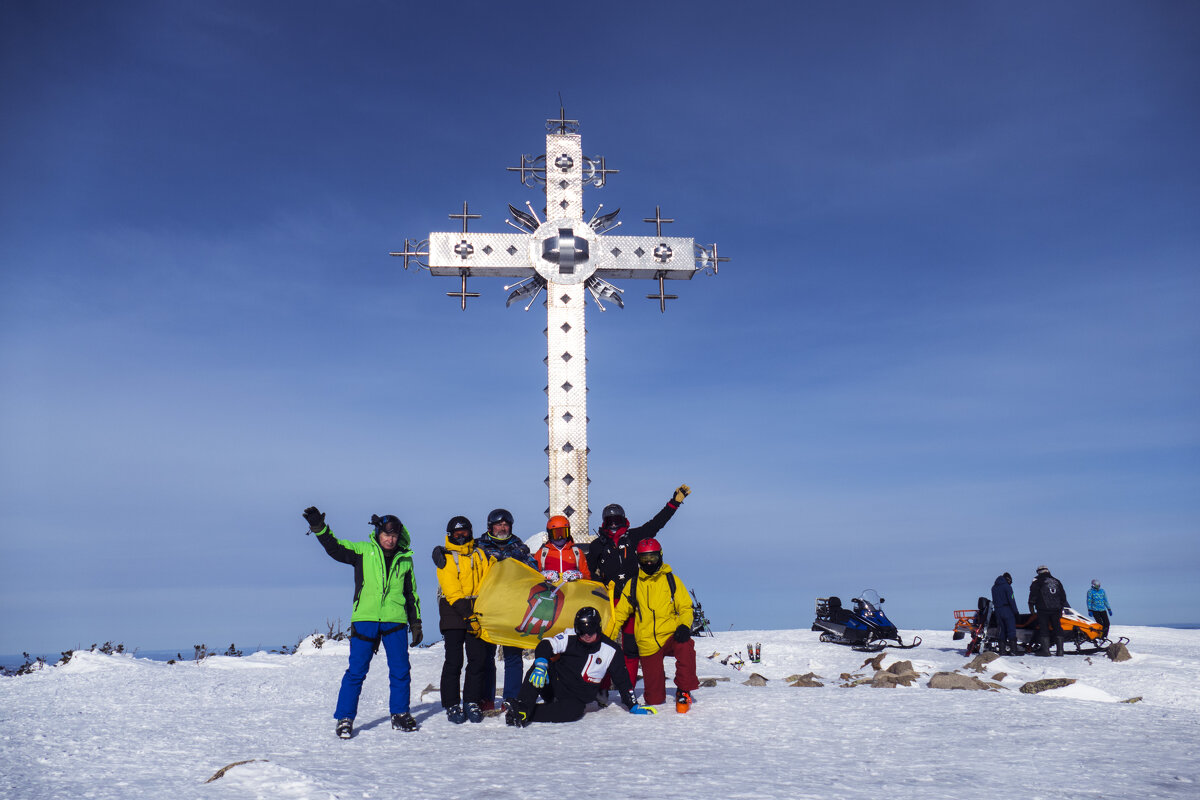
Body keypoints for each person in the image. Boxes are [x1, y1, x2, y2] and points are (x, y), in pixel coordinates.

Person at [302, 506, 422, 738]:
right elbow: (335, 548)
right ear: (378, 533)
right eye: (386, 535)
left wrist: (416, 624)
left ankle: (399, 714)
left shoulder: (406, 560)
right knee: (356, 671)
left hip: (395, 621)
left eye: (394, 535)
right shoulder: (363, 551)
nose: (390, 539)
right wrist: (319, 528)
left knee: (400, 670)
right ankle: (345, 718)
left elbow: (411, 595)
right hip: (365, 620)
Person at [587, 484, 690, 690]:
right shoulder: (598, 545)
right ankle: (602, 688)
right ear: (604, 522)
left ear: (624, 520)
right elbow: (589, 572)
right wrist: (601, 584)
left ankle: (629, 689)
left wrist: (674, 502)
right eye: (610, 521)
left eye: (617, 520)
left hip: (636, 600)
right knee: (603, 644)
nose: (614, 525)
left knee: (631, 648)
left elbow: (657, 524)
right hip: (610, 602)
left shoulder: (634, 537)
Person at [506, 606, 653, 726]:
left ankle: (525, 714)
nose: (587, 635)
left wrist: (633, 704)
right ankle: (522, 706)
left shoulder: (611, 650)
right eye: (582, 631)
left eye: (591, 630)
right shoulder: (570, 637)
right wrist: (541, 664)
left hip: (576, 697)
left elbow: (622, 680)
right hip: (555, 685)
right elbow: (546, 644)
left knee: (574, 712)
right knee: (540, 667)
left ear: (598, 628)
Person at [609, 539, 700, 713]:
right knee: (655, 699)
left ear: (660, 557)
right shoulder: (633, 584)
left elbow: (686, 607)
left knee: (686, 645)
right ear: (638, 559)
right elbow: (620, 614)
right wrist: (609, 638)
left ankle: (683, 690)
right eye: (644, 559)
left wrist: (683, 626)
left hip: (670, 635)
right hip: (647, 642)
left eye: (652, 557)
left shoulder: (671, 580)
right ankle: (657, 693)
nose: (649, 562)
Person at [432, 515, 495, 725]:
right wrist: (468, 616)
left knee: (477, 659)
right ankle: (451, 703)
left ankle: (471, 701)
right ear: (450, 535)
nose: (461, 537)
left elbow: (491, 574)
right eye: (457, 533)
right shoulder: (446, 557)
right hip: (453, 612)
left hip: (477, 610)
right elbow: (452, 590)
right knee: (454, 660)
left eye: (465, 533)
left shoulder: (479, 554)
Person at [475, 508, 537, 713]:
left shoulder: (519, 548)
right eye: (498, 524)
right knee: (486, 656)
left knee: (513, 654)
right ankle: (486, 698)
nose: (502, 527)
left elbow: (533, 571)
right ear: (490, 526)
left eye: (506, 524)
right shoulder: (479, 547)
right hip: (488, 606)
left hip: (513, 607)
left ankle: (512, 697)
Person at [534, 514, 591, 583]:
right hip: (550, 591)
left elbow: (588, 577)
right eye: (556, 534)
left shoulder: (577, 553)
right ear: (550, 534)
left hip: (572, 591)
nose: (560, 537)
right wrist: (544, 574)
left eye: (563, 533)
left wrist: (579, 575)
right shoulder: (542, 554)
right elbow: (533, 575)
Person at [1028, 565, 1068, 657]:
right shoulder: (1057, 581)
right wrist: (1060, 607)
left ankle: (1045, 651)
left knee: (1044, 628)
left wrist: (1031, 606)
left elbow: (1033, 594)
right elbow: (1063, 597)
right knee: (1057, 627)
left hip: (1043, 609)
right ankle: (1060, 651)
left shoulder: (1037, 581)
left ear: (1038, 572)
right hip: (1056, 609)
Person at [991, 572, 1019, 655]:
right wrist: (1016, 612)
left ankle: (1002, 650)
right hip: (1007, 610)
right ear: (1008, 579)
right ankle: (1013, 650)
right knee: (1011, 630)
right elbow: (1012, 600)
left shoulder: (994, 587)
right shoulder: (1007, 587)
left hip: (997, 610)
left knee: (1001, 630)